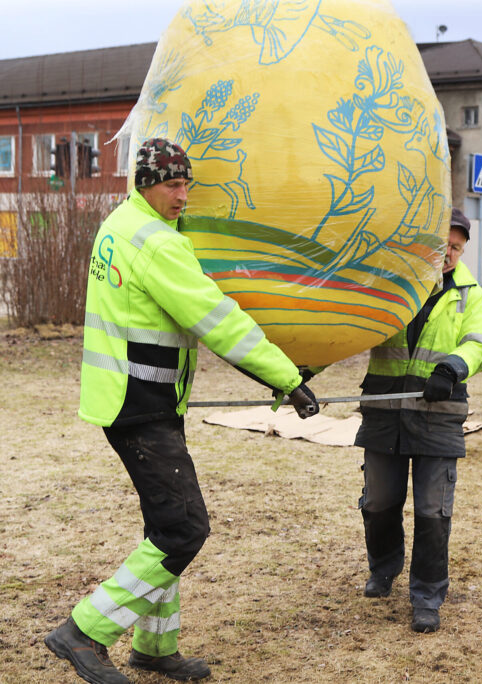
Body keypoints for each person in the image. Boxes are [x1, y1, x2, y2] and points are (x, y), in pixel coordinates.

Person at [45, 138, 318, 684]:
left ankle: (154, 647)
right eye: (173, 185)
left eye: (187, 184)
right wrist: (286, 378)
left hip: (129, 398)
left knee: (164, 527)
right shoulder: (157, 244)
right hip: (139, 405)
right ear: (146, 184)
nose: (183, 196)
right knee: (185, 528)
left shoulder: (121, 222)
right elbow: (216, 318)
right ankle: (84, 631)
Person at [354, 207, 482, 633]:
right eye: (443, 244)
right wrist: (303, 368)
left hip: (438, 418)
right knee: (378, 503)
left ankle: (427, 597)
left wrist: (451, 368)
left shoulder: (470, 294)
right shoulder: (392, 285)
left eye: (457, 248)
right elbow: (350, 329)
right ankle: (383, 569)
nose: (449, 253)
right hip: (384, 415)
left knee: (433, 512)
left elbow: (478, 343)